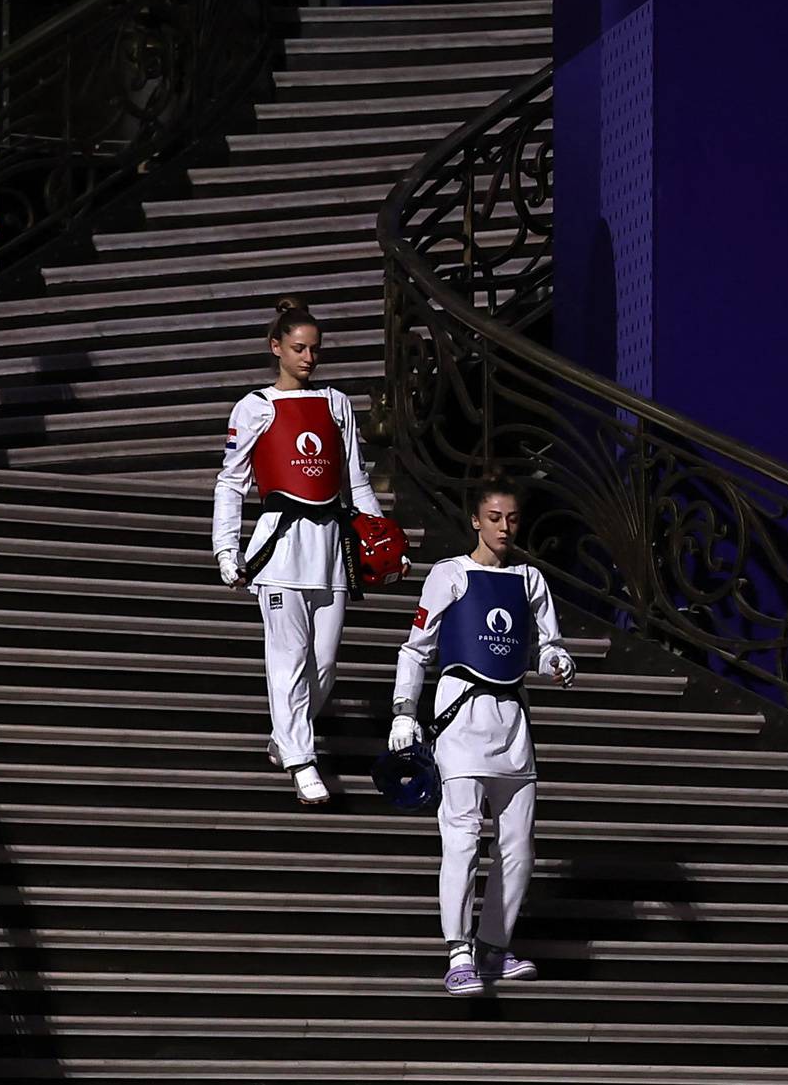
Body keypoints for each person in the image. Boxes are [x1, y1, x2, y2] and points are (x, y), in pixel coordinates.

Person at [389, 472, 578, 994]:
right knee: (464, 841)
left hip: (513, 727)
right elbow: (416, 648)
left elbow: (545, 644)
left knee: (519, 846)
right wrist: (405, 710)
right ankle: (459, 951)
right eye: (494, 518)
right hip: (461, 724)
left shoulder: (530, 581)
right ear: (475, 520)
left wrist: (556, 659)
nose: (504, 527)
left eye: (512, 518)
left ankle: (495, 946)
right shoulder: (448, 576)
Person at [213, 298, 384, 805]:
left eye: (314, 349)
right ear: (276, 348)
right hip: (278, 551)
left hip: (330, 549)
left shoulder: (336, 403)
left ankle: (285, 736)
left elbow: (355, 478)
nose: (308, 358)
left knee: (324, 665)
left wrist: (378, 537)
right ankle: (302, 760)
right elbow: (230, 483)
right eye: (298, 348)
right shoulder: (254, 407)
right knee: (287, 658)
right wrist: (227, 549)